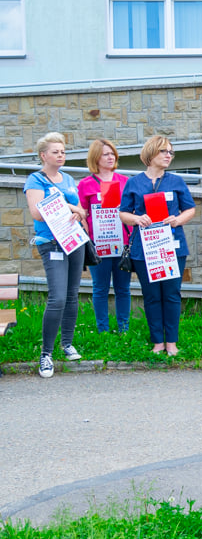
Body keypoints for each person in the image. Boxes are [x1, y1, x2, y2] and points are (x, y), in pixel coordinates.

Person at [119, 136, 196, 356]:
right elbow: (123, 212)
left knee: (171, 294)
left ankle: (171, 341)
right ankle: (157, 342)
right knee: (152, 295)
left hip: (172, 245)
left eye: (171, 152)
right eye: (164, 151)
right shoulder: (134, 183)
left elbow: (190, 209)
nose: (168, 155)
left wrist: (178, 220)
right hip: (145, 249)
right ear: (151, 153)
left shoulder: (177, 181)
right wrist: (136, 219)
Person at [24, 132, 88, 377]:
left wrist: (78, 212)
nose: (60, 155)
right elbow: (37, 213)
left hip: (74, 240)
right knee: (58, 297)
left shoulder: (69, 178)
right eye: (55, 152)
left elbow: (81, 209)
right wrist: (70, 206)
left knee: (72, 295)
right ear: (43, 155)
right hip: (51, 243)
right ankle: (46, 354)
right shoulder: (35, 180)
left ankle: (67, 344)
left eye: (63, 151)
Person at [77, 139, 131, 334]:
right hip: (99, 245)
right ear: (95, 158)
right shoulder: (85, 184)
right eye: (105, 154)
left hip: (123, 243)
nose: (110, 157)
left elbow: (133, 209)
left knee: (123, 288)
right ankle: (103, 331)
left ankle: (124, 329)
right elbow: (82, 212)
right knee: (100, 288)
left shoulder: (125, 181)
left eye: (112, 153)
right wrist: (88, 237)